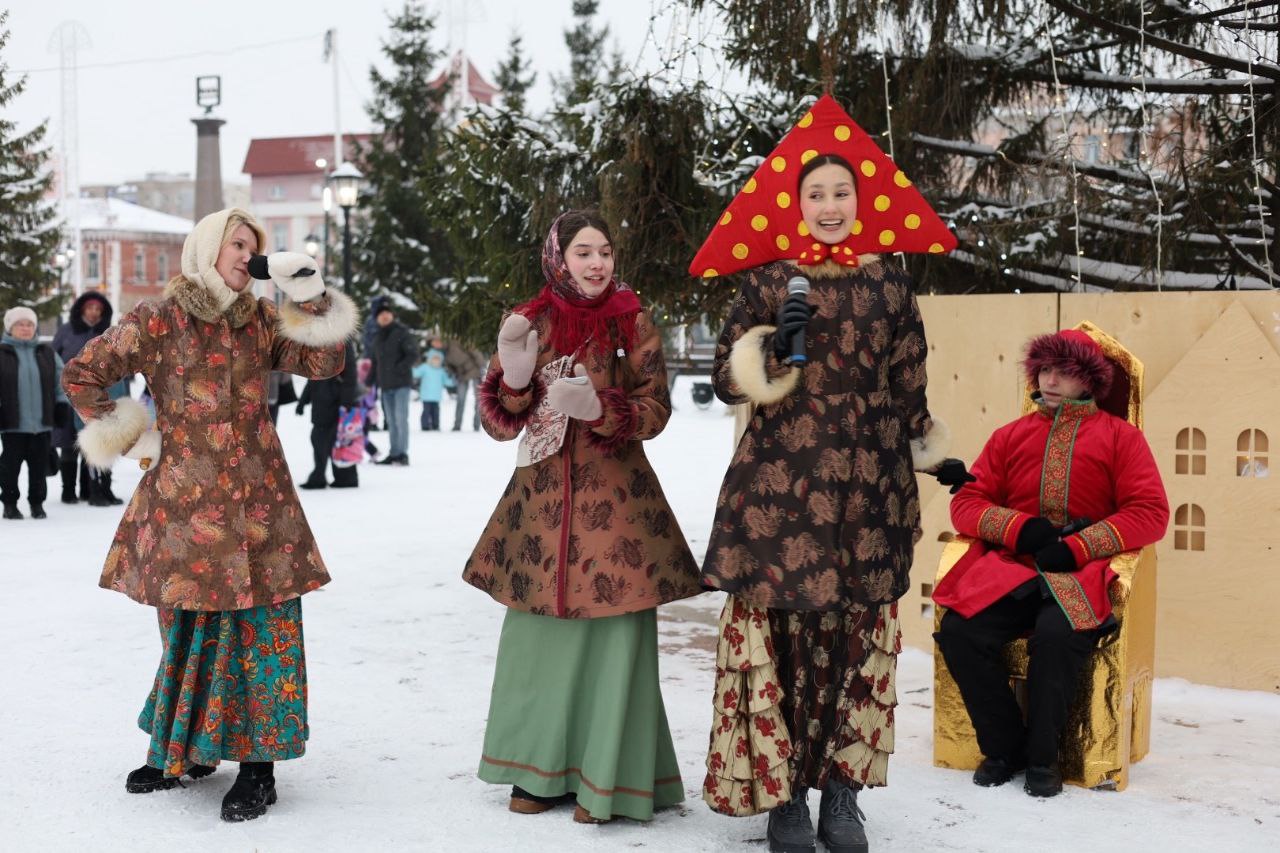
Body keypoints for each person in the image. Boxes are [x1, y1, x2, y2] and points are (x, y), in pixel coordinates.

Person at [692, 95, 964, 853]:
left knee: (855, 640)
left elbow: (910, 381)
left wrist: (931, 453)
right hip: (780, 491)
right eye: (817, 194)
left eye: (843, 193)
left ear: (861, 202)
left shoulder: (891, 283)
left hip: (870, 488)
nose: (831, 206)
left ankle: (842, 794)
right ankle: (783, 799)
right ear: (797, 204)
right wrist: (773, 351)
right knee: (782, 636)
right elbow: (725, 376)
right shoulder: (768, 281)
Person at [61, 207, 358, 822]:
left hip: (260, 506)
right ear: (206, 250)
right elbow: (82, 372)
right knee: (189, 630)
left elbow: (325, 364)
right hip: (184, 501)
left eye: (256, 247)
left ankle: (258, 767)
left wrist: (308, 290)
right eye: (237, 244)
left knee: (261, 632)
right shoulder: (159, 319)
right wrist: (133, 435)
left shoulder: (264, 319)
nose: (247, 256)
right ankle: (189, 752)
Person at [463, 210, 703, 824]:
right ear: (559, 259)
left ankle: (610, 778)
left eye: (605, 252)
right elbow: (496, 423)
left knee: (614, 637)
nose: (597, 264)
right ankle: (537, 771)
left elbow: (657, 408)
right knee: (540, 642)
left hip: (617, 512)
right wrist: (515, 379)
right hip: (540, 513)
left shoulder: (632, 318)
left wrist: (603, 407)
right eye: (583, 253)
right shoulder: (530, 318)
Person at [932, 328, 1169, 797]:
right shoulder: (1008, 436)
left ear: (1089, 382)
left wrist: (1078, 547)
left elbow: (1150, 513)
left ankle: (1045, 758)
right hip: (1010, 571)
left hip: (1079, 573)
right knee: (961, 633)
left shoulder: (1122, 439)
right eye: (1044, 370)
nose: (1051, 380)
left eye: (1064, 372)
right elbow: (967, 504)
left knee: (1058, 638)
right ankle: (1005, 749)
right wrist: (1022, 529)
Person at [51, 291, 127, 506]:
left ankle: (92, 488)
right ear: (82, 309)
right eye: (90, 308)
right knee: (70, 444)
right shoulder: (66, 332)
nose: (94, 313)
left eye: (98, 310)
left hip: (102, 396)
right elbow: (54, 361)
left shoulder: (108, 333)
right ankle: (69, 490)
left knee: (99, 443)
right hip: (69, 396)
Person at [1, 306, 70, 519]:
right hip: (12, 423)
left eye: (29, 324)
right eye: (20, 324)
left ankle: (37, 504)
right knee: (10, 468)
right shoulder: (2, 354)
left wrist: (61, 405)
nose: (25, 328)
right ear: (10, 328)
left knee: (39, 468)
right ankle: (10, 504)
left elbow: (61, 383)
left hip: (42, 423)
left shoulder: (46, 352)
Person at [296, 339, 360, 488]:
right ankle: (323, 476)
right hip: (322, 401)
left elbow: (350, 374)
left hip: (337, 402)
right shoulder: (316, 341)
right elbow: (313, 376)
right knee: (321, 440)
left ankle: (344, 477)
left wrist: (346, 403)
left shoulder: (342, 340)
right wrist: (303, 401)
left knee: (337, 441)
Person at [368, 304, 417, 465]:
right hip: (385, 385)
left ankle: (402, 454)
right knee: (390, 420)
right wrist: (369, 383)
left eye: (387, 313)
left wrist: (398, 369)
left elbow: (412, 355)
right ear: (377, 318)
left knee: (400, 419)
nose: (385, 316)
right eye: (381, 314)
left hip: (401, 383)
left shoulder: (401, 332)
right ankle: (394, 453)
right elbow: (375, 363)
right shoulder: (377, 337)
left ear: (392, 316)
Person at [445, 340, 486, 431]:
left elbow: (474, 351)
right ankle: (457, 425)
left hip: (475, 372)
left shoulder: (456, 342)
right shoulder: (445, 353)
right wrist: (452, 373)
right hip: (462, 376)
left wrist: (482, 366)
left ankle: (477, 425)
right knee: (460, 399)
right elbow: (449, 367)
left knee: (478, 400)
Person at [412, 337, 452, 431]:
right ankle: (425, 425)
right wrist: (410, 369)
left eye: (438, 359)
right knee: (426, 411)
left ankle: (435, 425)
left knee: (436, 411)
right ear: (430, 359)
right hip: (426, 395)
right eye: (434, 359)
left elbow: (447, 381)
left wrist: (452, 379)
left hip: (436, 396)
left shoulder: (441, 371)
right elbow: (416, 373)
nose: (436, 361)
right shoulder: (425, 367)